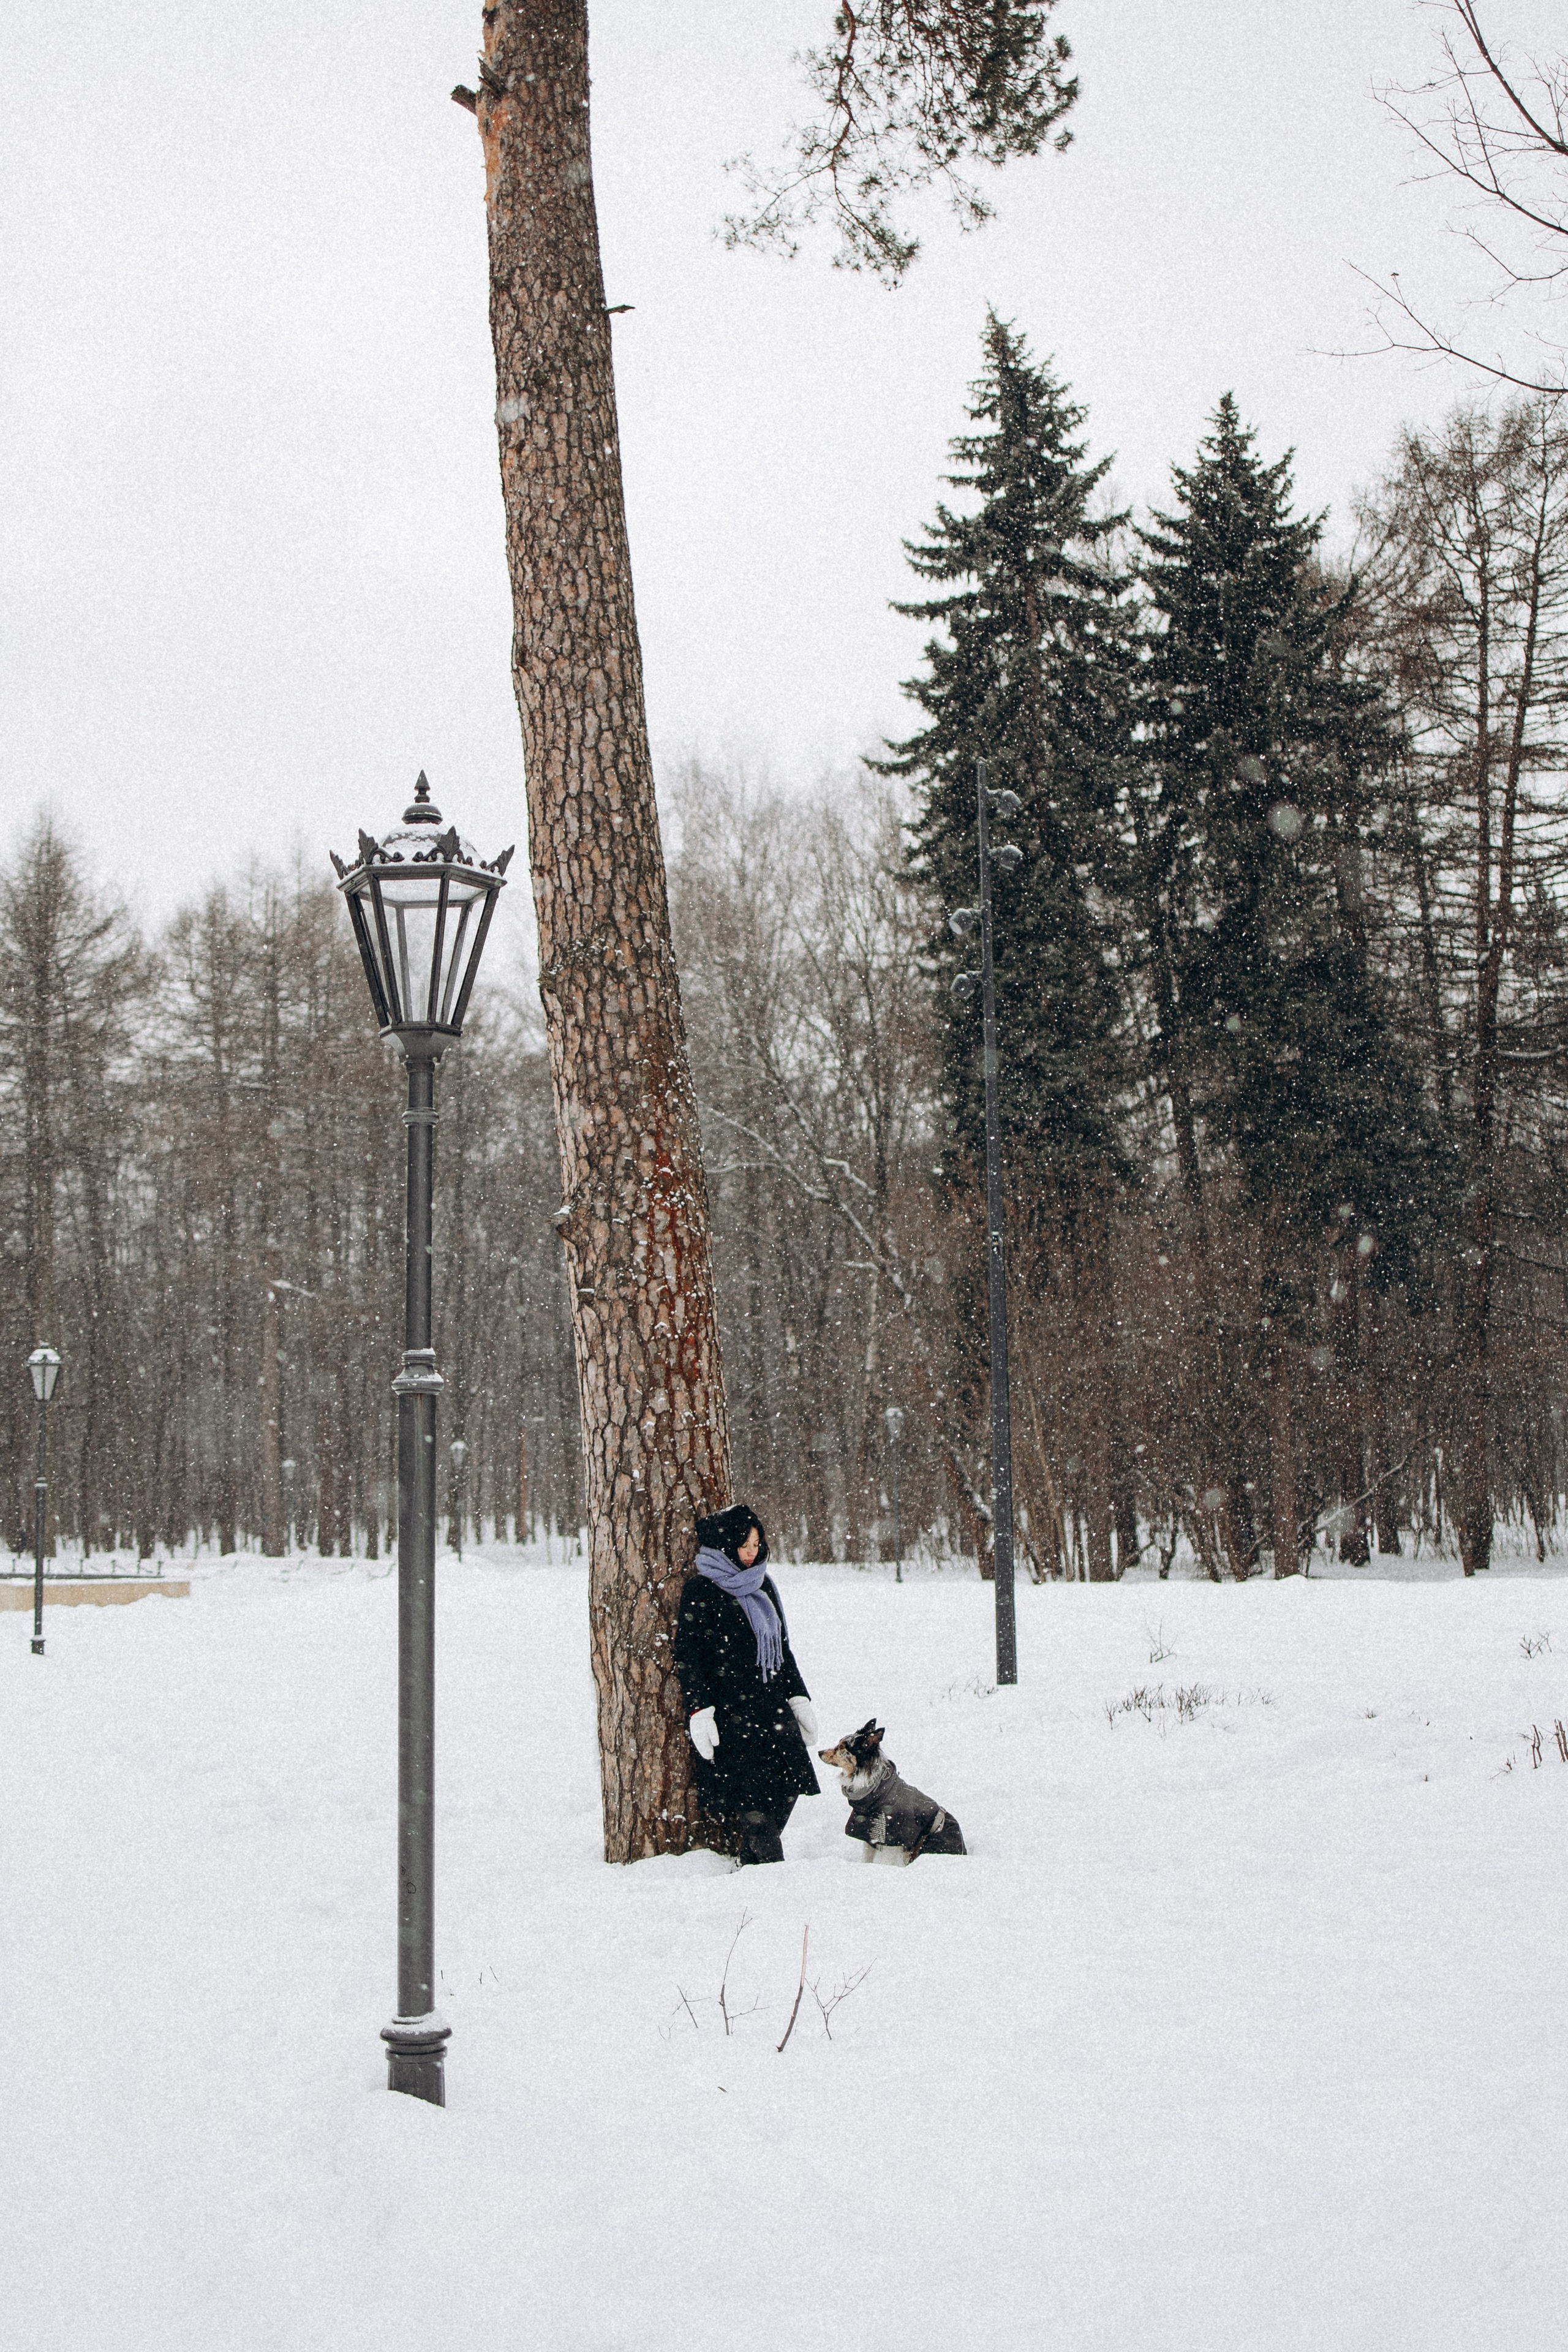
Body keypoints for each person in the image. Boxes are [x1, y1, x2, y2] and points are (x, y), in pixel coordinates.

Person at [673, 1504, 819, 1863]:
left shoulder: (763, 1584)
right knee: (752, 1802)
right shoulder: (701, 1590)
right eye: (744, 1545)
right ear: (724, 1545)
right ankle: (766, 1871)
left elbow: (781, 1648)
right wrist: (700, 1710)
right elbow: (689, 1658)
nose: (753, 1553)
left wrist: (799, 1697)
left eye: (756, 1544)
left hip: (772, 1707)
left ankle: (753, 1862)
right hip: (730, 1714)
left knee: (789, 1785)